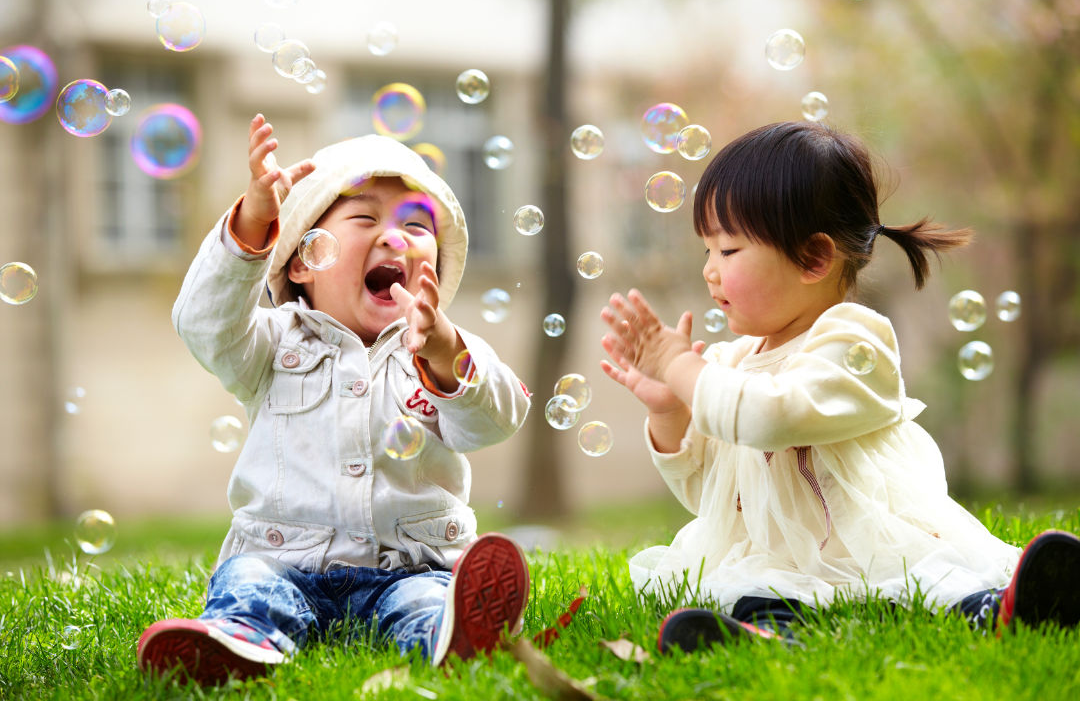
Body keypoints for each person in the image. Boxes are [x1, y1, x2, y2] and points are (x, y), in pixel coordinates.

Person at [598, 121, 1080, 651]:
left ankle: (1003, 608)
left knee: (929, 587)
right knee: (759, 594)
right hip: (778, 564)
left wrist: (681, 369)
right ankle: (762, 635)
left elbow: (771, 418)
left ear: (814, 258)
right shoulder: (730, 361)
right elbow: (710, 495)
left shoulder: (853, 342)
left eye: (729, 251)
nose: (710, 271)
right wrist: (669, 412)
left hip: (868, 551)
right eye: (707, 250)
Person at [137, 116, 533, 684]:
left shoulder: (442, 352)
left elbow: (497, 419)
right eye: (365, 217)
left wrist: (448, 358)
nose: (394, 236)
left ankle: (450, 635)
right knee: (249, 583)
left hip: (410, 566)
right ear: (303, 261)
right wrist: (252, 224)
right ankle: (240, 640)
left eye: (417, 226)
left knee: (426, 599)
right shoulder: (271, 343)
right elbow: (201, 323)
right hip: (285, 560)